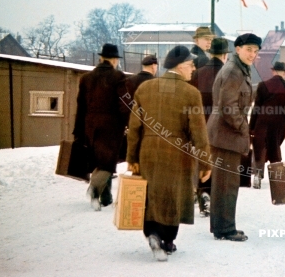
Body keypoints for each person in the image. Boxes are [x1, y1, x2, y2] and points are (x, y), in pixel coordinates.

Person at [125, 45, 211, 261]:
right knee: (173, 196)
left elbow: (134, 127)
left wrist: (132, 158)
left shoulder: (145, 89)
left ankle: (152, 233)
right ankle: (167, 240)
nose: (193, 70)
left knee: (151, 193)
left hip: (147, 150)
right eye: (191, 65)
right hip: (177, 152)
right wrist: (206, 163)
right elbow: (199, 133)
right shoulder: (191, 93)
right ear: (180, 67)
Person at [207, 33, 261, 242]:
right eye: (249, 50)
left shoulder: (239, 69)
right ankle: (224, 229)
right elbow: (227, 106)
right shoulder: (233, 71)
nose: (252, 54)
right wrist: (242, 129)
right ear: (237, 49)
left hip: (226, 134)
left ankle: (222, 226)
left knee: (225, 183)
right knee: (226, 184)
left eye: (255, 51)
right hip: (226, 134)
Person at [73, 43, 128, 211]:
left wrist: (78, 130)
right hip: (111, 126)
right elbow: (123, 104)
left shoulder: (86, 78)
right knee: (108, 163)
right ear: (112, 60)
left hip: (90, 125)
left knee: (98, 160)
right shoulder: (118, 77)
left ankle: (106, 197)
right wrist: (128, 122)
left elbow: (80, 106)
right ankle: (94, 190)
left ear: (101, 58)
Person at [189, 37, 230, 216]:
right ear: (225, 54)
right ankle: (215, 199)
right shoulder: (229, 73)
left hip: (200, 123)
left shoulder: (197, 73)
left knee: (203, 160)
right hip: (222, 125)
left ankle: (203, 192)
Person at [249, 61, 285, 189]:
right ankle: (276, 176)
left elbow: (256, 107)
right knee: (275, 147)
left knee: (260, 147)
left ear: (273, 71)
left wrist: (251, 126)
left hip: (262, 119)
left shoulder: (262, 85)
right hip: (278, 121)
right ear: (283, 73)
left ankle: (257, 175)